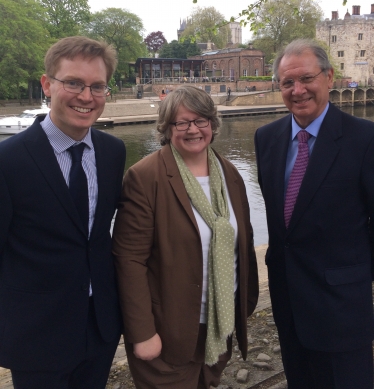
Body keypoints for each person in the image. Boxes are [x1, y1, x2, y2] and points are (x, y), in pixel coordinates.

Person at [0, 36, 126, 389]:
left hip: (99, 326)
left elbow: (98, 237)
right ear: (47, 84)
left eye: (97, 86)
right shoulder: (8, 161)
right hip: (36, 333)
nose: (86, 96)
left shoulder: (112, 152)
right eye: (73, 82)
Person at [113, 85, 259, 389]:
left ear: (213, 124)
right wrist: (142, 333)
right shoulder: (145, 177)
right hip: (168, 332)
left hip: (219, 324)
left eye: (201, 120)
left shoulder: (229, 173)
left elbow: (242, 243)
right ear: (167, 129)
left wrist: (244, 303)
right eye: (181, 122)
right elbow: (129, 260)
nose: (193, 129)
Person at [254, 39, 374, 389]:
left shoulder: (364, 139)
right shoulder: (267, 138)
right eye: (287, 82)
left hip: (341, 309)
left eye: (306, 78)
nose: (298, 90)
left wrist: (355, 275)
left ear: (329, 77)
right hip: (288, 303)